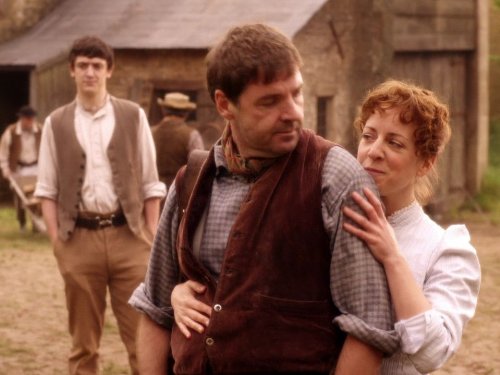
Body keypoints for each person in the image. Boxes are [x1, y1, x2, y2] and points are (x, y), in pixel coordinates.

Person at [129, 23, 398, 374]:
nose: (293, 113)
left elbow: (368, 327)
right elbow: (155, 309)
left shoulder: (334, 176)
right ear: (225, 104)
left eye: (296, 94)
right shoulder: (192, 180)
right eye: (270, 101)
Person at [34, 36, 166, 375]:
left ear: (109, 70)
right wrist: (58, 243)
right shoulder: (55, 122)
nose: (89, 72)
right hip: (78, 238)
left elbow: (152, 184)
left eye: (96, 66)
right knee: (83, 345)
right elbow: (46, 189)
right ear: (71, 72)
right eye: (82, 66)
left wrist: (150, 234)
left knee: (143, 339)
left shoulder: (133, 116)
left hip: (129, 237)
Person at [342, 80, 481, 374]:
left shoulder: (446, 249)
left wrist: (392, 257)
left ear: (425, 163)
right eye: (369, 136)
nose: (374, 151)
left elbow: (432, 353)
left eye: (394, 143)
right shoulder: (332, 220)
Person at [0, 105, 42, 230]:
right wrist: (5, 168)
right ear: (21, 119)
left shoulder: (41, 130)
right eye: (27, 119)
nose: (30, 122)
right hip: (19, 168)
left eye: (32, 119)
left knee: (37, 196)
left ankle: (36, 223)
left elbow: (49, 150)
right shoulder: (11, 131)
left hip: (37, 167)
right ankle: (22, 222)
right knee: (20, 198)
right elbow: (3, 152)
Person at [152, 92, 204, 186]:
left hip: (153, 191)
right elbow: (199, 168)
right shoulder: (191, 135)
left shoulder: (150, 132)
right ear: (186, 113)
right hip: (179, 191)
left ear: (163, 110)